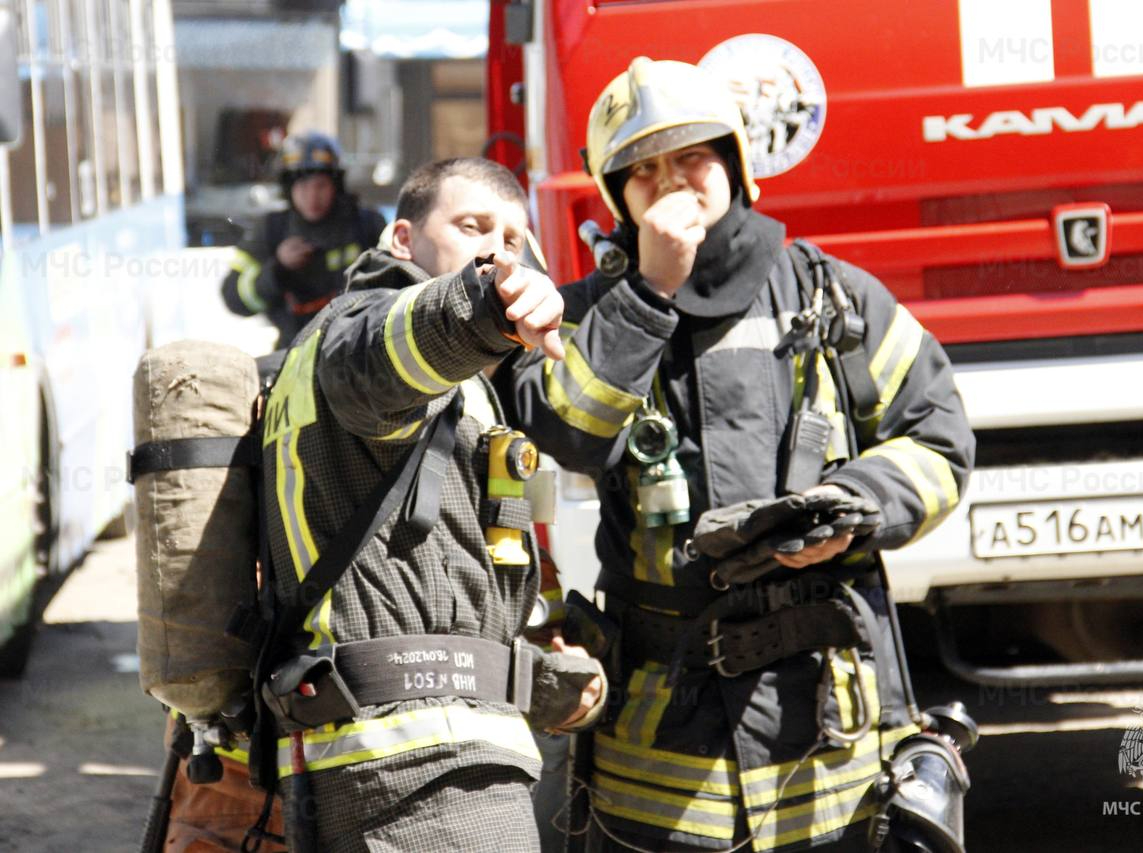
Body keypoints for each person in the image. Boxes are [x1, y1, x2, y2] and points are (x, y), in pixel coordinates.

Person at [502, 59, 977, 852]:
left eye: (690, 155)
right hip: (661, 763)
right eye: (642, 170)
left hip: (828, 744)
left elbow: (939, 439)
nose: (671, 182)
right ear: (617, 197)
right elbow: (572, 435)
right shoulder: (587, 318)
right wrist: (650, 293)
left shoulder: (835, 297)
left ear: (734, 161)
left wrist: (852, 510)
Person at [251, 156, 604, 851]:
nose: (495, 251)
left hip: (414, 759)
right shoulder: (360, 328)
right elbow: (388, 355)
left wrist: (537, 663)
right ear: (402, 241)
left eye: (512, 238)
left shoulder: (466, 384)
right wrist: (480, 305)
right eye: (472, 226)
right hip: (425, 776)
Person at [221, 132, 386, 348]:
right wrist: (278, 269)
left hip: (361, 349)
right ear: (289, 189)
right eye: (303, 186)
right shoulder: (272, 229)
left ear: (336, 185)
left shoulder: (367, 224)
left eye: (320, 185)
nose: (312, 196)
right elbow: (234, 298)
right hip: (295, 352)